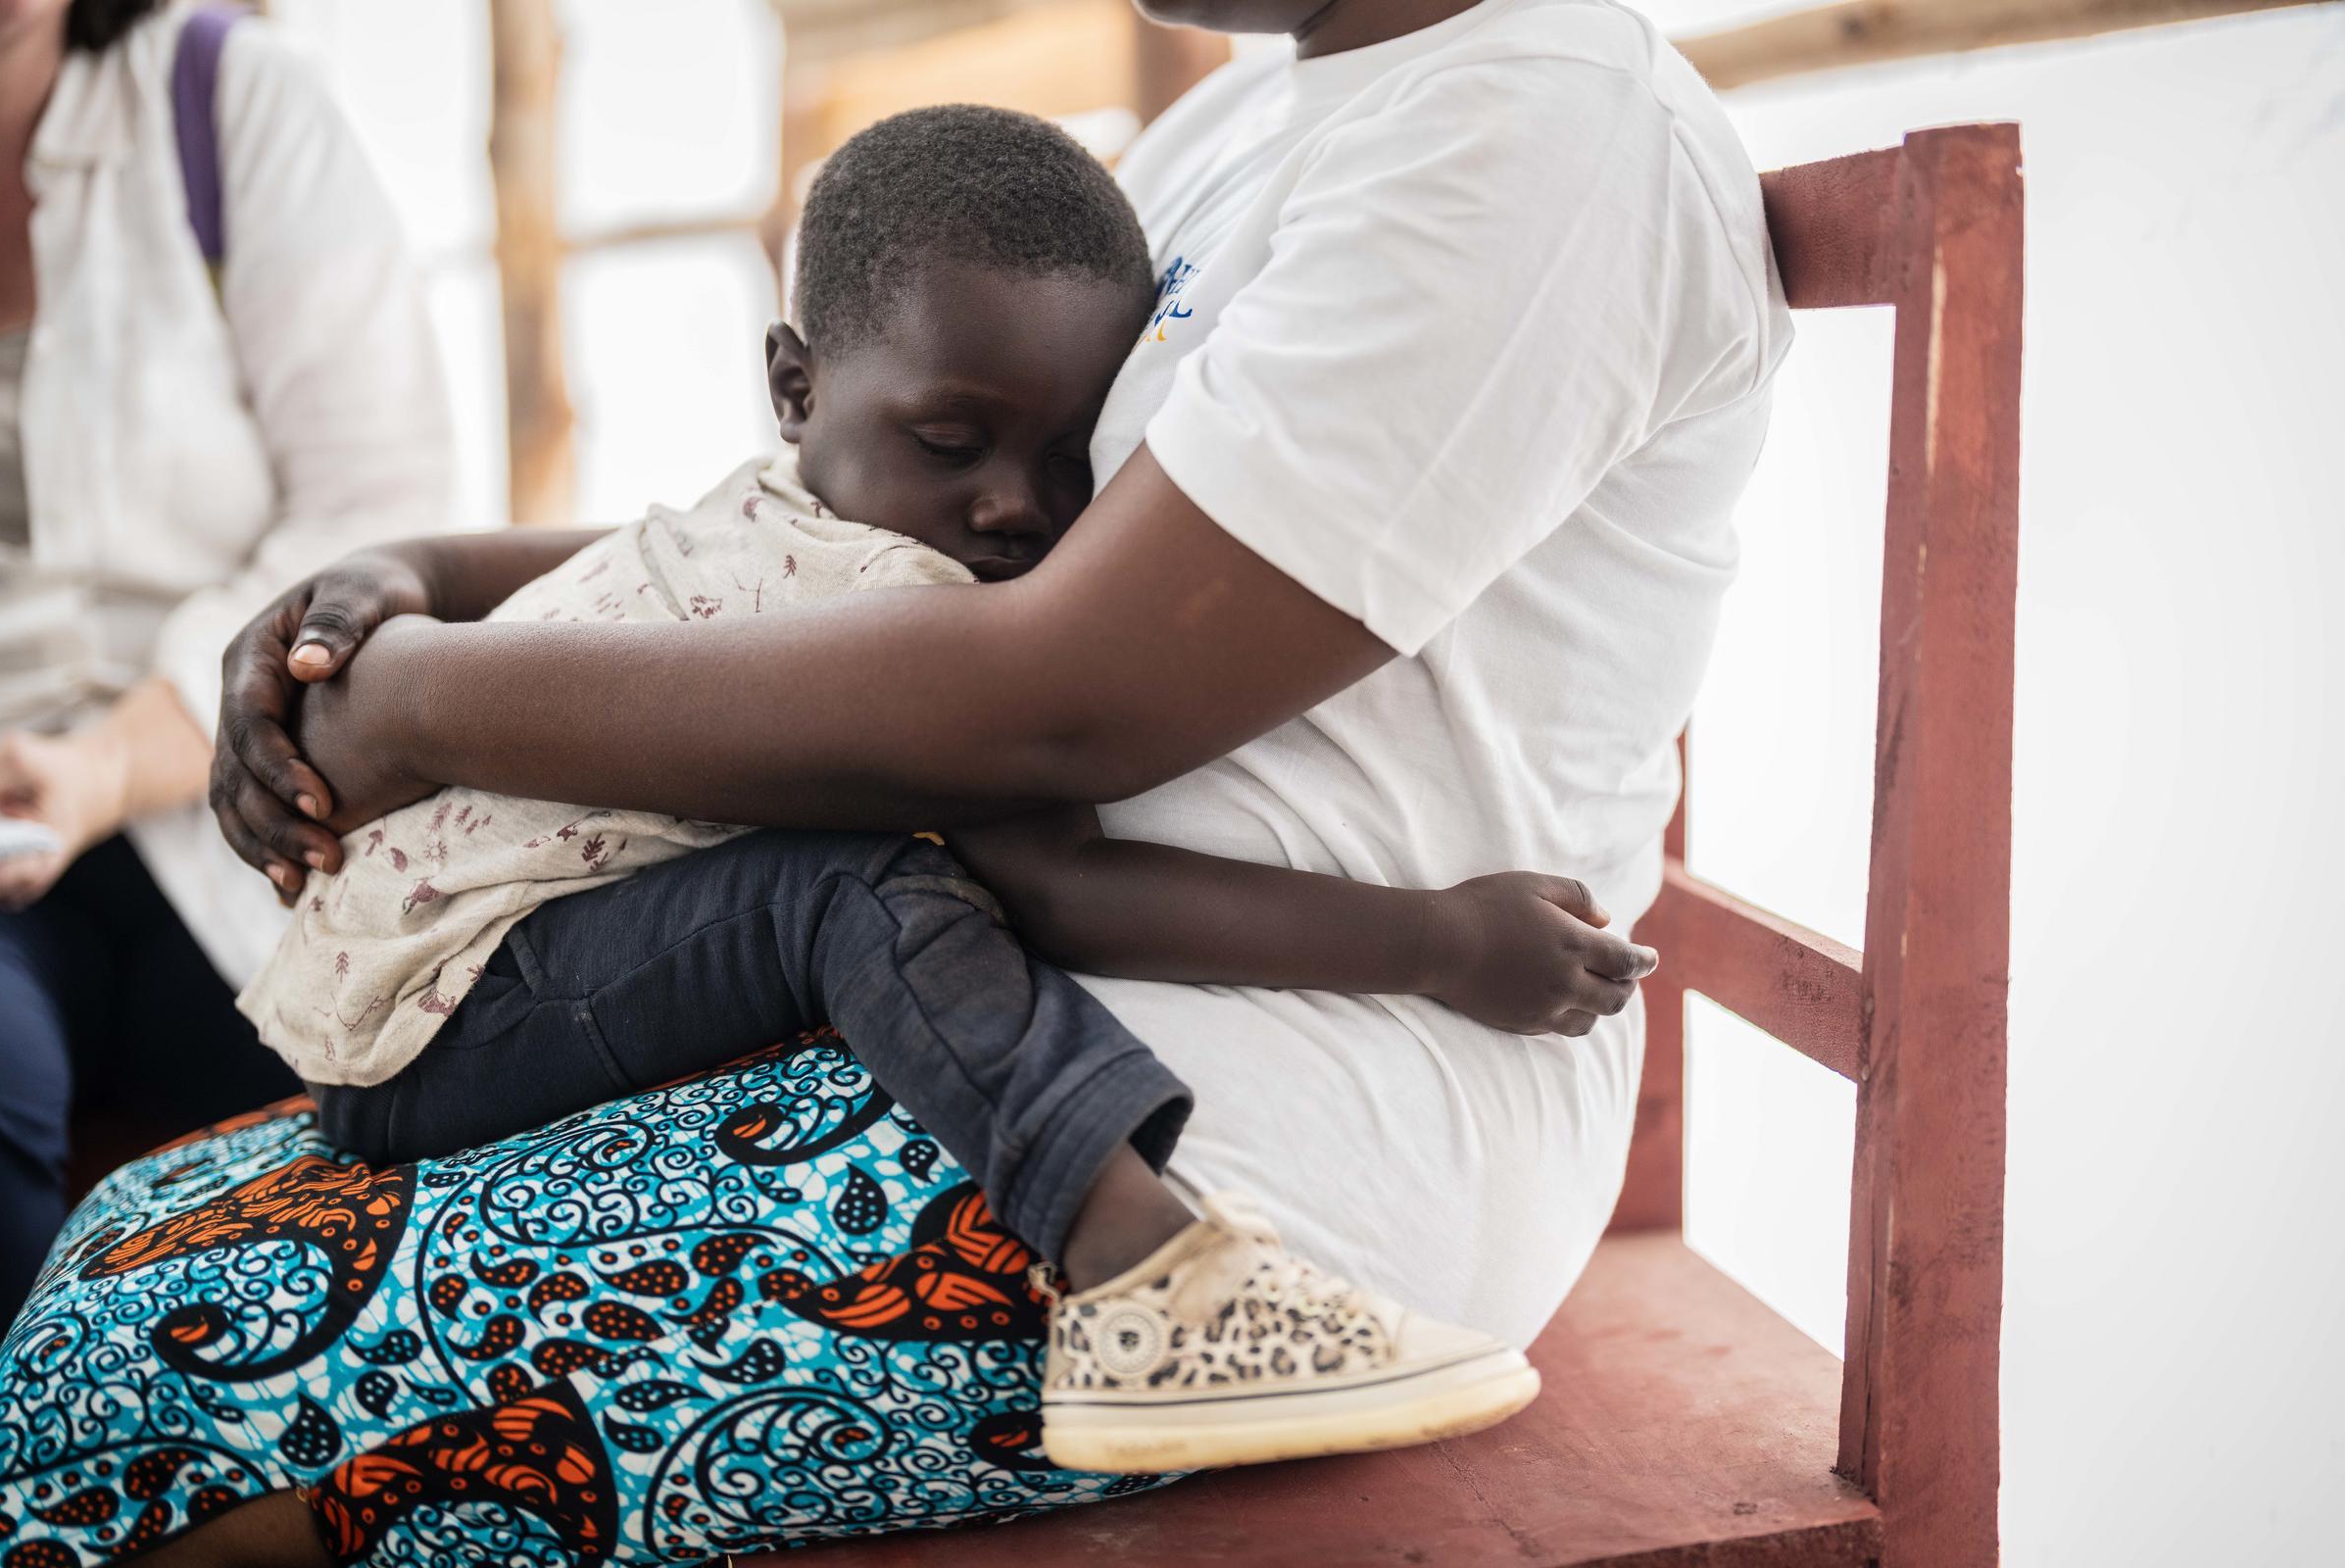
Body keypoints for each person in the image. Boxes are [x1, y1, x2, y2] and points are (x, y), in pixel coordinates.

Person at [0, 1, 1792, 1561]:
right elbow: (808, 548)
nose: (1018, 499)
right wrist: (394, 591)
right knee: (118, 1253)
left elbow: (1048, 706)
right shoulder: (1243, 122)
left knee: (126, 1392)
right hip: (991, 1000)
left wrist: (430, 703)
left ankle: (1166, 1305)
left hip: (1268, 1146)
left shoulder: (1539, 129)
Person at [242, 104, 1656, 1473]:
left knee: (837, 881)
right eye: (950, 444)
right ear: (795, 387)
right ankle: (1148, 1284)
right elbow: (1062, 889)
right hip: (444, 1026)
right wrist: (1442, 942)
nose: (1013, 507)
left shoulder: (796, 508)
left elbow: (569, 562)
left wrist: (405, 571)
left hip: (426, 993)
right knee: (860, 890)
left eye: (1069, 457)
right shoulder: (898, 598)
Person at [0, 0, 452, 1330]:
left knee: (395, 1131)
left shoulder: (224, 102)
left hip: (263, 800)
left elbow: (377, 514)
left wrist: (109, 761)